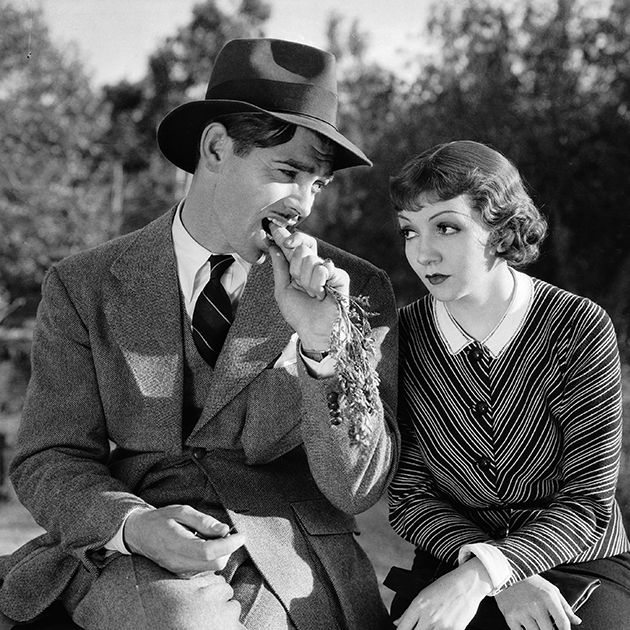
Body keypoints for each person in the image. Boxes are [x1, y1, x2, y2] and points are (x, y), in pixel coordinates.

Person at [0, 38, 399, 630]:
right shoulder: (84, 284)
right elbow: (49, 456)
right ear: (215, 148)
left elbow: (357, 489)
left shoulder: (351, 289)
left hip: (291, 561)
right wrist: (134, 525)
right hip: (131, 553)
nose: (304, 205)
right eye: (288, 172)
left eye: (317, 183)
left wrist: (323, 346)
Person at [386, 140, 630, 630]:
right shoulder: (402, 336)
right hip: (452, 552)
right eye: (410, 231)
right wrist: (488, 569)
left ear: (501, 231)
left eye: (447, 227)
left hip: (577, 557)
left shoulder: (577, 326)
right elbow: (410, 496)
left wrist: (489, 573)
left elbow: (588, 501)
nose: (423, 252)